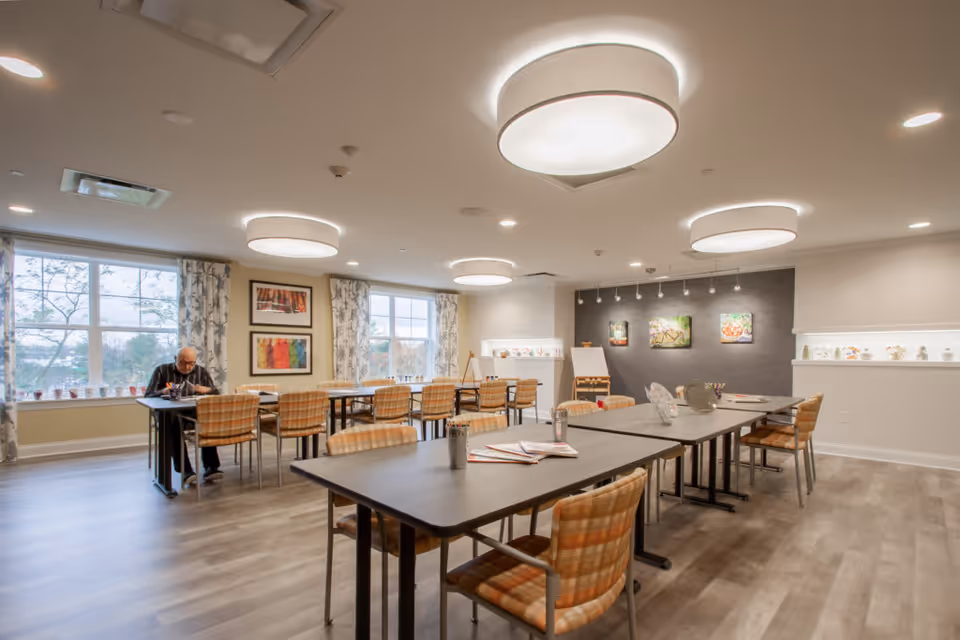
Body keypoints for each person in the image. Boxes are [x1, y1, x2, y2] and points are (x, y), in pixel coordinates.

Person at [146, 347, 221, 485]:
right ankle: (186, 470)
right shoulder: (162, 370)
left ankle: (211, 467)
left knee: (207, 419)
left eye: (191, 363)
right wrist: (163, 391)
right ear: (176, 359)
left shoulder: (200, 371)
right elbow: (149, 394)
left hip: (193, 412)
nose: (188, 367)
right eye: (183, 362)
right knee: (174, 422)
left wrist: (207, 390)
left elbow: (216, 392)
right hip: (168, 414)